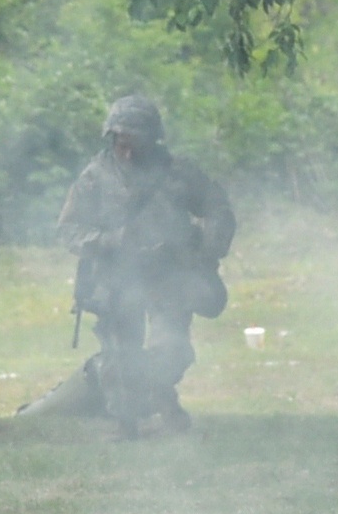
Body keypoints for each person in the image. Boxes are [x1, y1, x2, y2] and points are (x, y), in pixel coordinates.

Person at [57, 95, 235, 439]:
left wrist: (204, 249)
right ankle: (128, 423)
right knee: (119, 359)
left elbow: (219, 210)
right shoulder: (95, 177)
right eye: (120, 138)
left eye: (135, 138)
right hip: (116, 279)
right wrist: (110, 240)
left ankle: (160, 396)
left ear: (153, 138)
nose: (127, 147)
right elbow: (68, 230)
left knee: (171, 350)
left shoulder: (179, 173)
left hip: (170, 277)